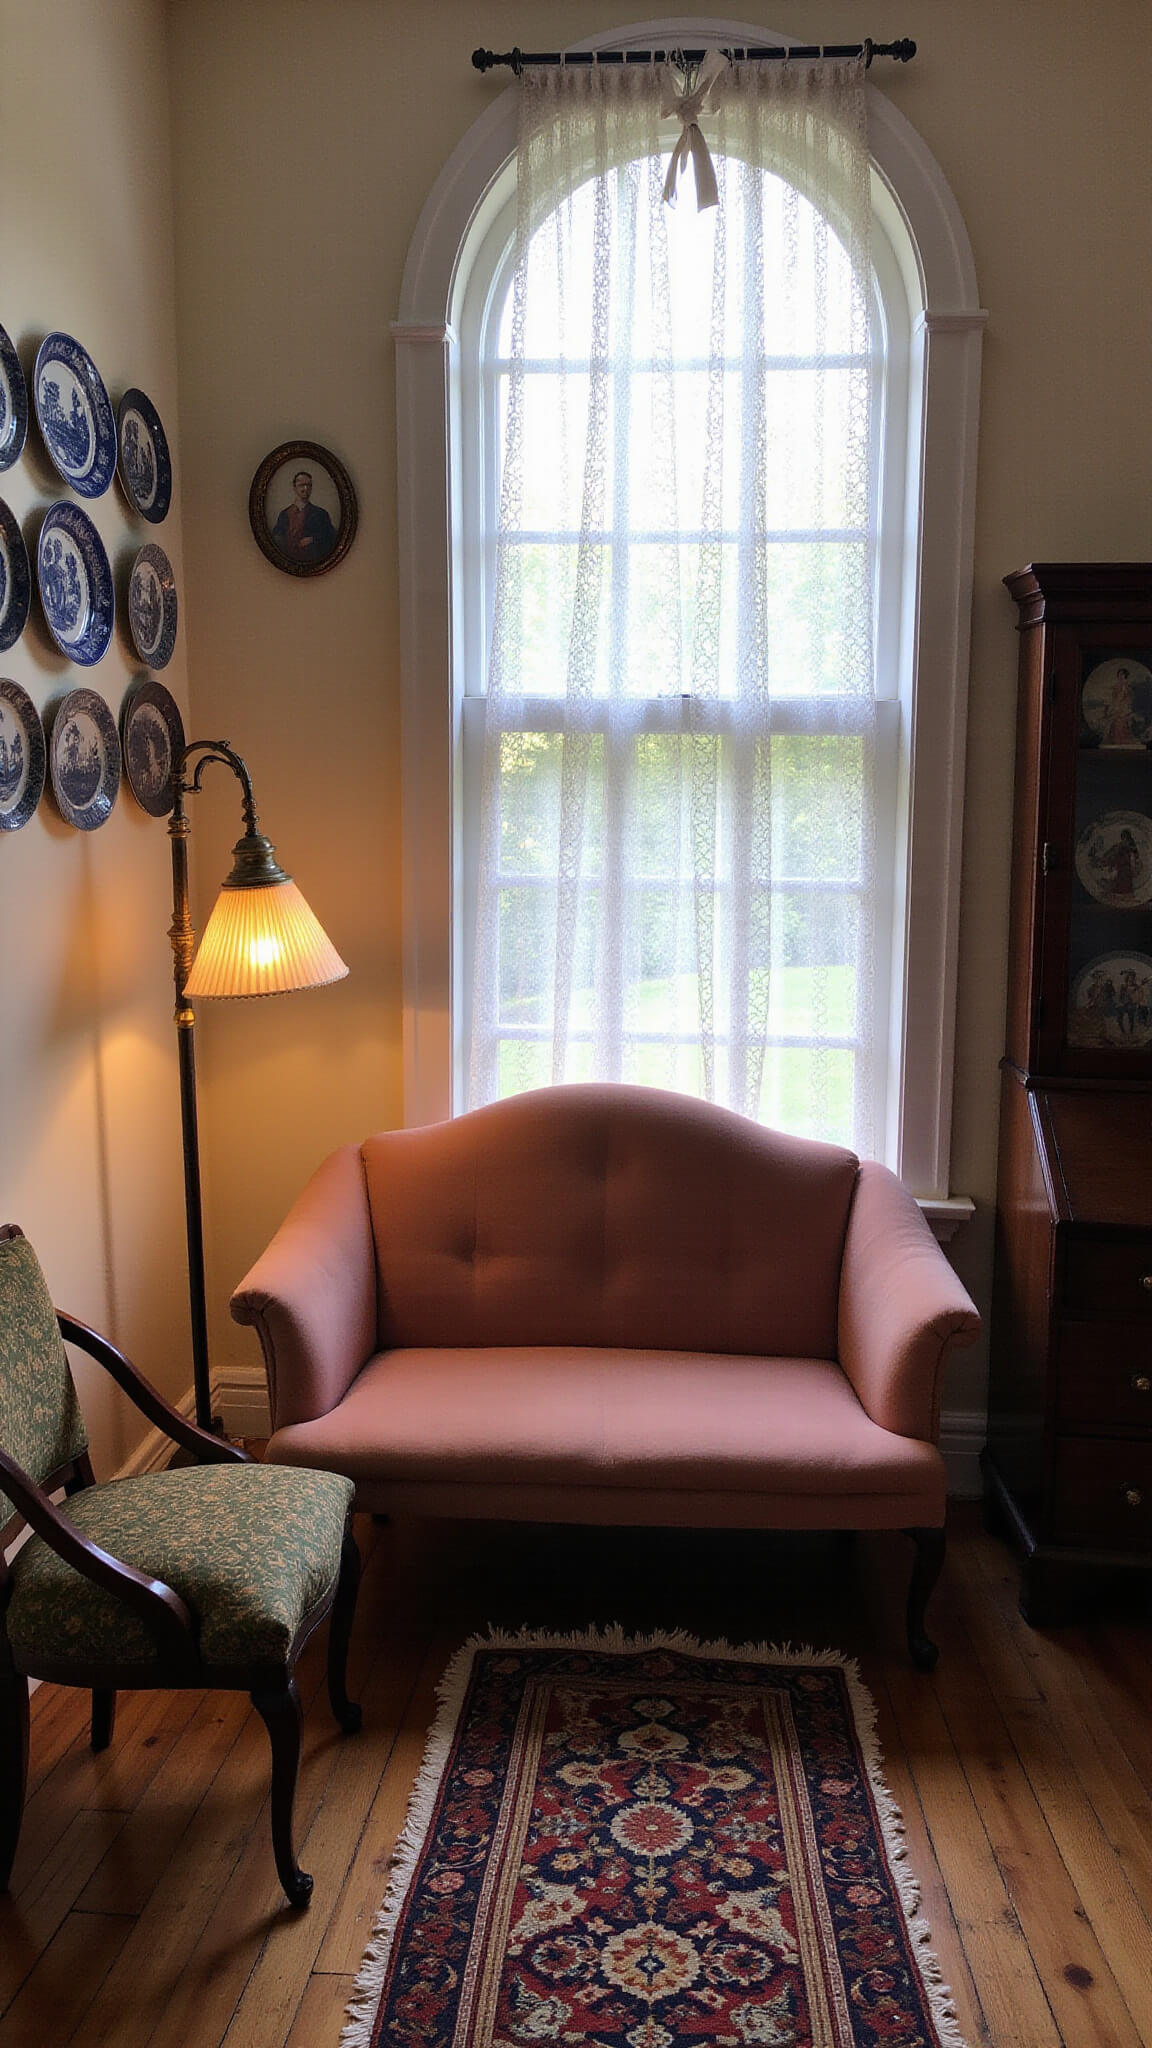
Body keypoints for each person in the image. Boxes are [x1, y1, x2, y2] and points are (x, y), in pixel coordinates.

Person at [271, 469, 337, 562]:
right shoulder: (284, 514)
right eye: (302, 485)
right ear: (294, 488)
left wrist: (312, 539)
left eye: (309, 485)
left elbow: (331, 536)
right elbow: (276, 537)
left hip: (312, 560)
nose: (306, 488)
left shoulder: (321, 514)